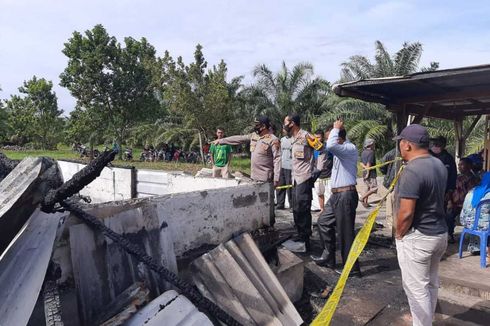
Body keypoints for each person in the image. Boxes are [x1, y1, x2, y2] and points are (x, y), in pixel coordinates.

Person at [394, 124, 448, 326]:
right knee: (431, 283)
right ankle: (426, 320)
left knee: (416, 290)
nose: (400, 146)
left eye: (400, 142)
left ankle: (422, 323)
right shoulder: (438, 164)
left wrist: (399, 234)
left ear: (407, 145)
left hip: (420, 238)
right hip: (439, 234)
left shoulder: (412, 170)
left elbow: (407, 212)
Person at [312, 119, 360, 276]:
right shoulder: (341, 150)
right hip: (336, 195)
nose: (327, 142)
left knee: (345, 233)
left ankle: (352, 269)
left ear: (339, 137)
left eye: (330, 137)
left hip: (346, 194)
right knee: (323, 222)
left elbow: (331, 145)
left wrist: (336, 128)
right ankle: (329, 257)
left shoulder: (349, 148)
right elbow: (330, 146)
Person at [283, 113, 322, 250]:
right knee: (296, 209)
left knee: (303, 209)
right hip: (295, 178)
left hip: (304, 178)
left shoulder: (307, 136)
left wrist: (317, 170)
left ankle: (305, 240)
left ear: (292, 123)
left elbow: (321, 150)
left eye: (286, 122)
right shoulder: (293, 138)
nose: (284, 125)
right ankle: (300, 235)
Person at [214, 116, 281, 185]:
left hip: (265, 179)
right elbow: (239, 139)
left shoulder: (273, 140)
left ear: (263, 126)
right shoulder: (254, 135)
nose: (255, 127)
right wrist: (221, 141)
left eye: (257, 125)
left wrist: (276, 178)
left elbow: (277, 159)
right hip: (254, 177)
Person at [447, 157, 480, 243]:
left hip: (469, 205)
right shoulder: (456, 178)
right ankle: (449, 235)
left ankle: (474, 238)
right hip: (456, 204)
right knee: (449, 216)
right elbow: (450, 190)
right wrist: (450, 201)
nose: (459, 167)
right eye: (459, 165)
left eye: (462, 165)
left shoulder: (475, 179)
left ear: (469, 166)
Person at [459, 172, 490, 255]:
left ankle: (476, 247)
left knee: (480, 217)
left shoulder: (472, 190)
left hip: (466, 222)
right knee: (484, 220)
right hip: (482, 226)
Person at [430, 136, 457, 208]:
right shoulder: (427, 155)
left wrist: (449, 191)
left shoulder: (448, 159)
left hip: (442, 193)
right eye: (434, 143)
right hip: (427, 191)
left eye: (438, 144)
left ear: (443, 145)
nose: (436, 145)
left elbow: (453, 176)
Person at [313, 127, 333, 213]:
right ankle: (322, 209)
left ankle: (332, 210)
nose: (317, 140)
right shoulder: (313, 148)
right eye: (315, 137)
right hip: (318, 176)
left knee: (332, 194)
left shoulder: (328, 147)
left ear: (323, 137)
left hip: (329, 175)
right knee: (320, 193)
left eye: (318, 137)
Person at [380, 147, 397, 237]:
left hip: (395, 185)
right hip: (392, 185)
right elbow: (382, 166)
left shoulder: (391, 152)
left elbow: (382, 166)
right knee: (391, 209)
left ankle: (394, 231)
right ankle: (393, 232)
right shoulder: (392, 153)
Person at [276, 129, 292, 210]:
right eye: (283, 129)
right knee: (280, 185)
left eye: (285, 129)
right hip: (281, 165)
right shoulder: (282, 140)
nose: (284, 130)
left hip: (290, 167)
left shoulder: (294, 139)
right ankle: (280, 203)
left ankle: (292, 205)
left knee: (290, 186)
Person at [360, 138, 378, 208]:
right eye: (373, 144)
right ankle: (362, 198)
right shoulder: (371, 152)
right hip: (370, 173)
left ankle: (365, 203)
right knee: (374, 188)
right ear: (370, 144)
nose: (374, 145)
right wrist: (368, 172)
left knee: (367, 187)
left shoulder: (363, 152)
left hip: (364, 172)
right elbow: (369, 163)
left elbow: (361, 163)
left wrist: (365, 169)